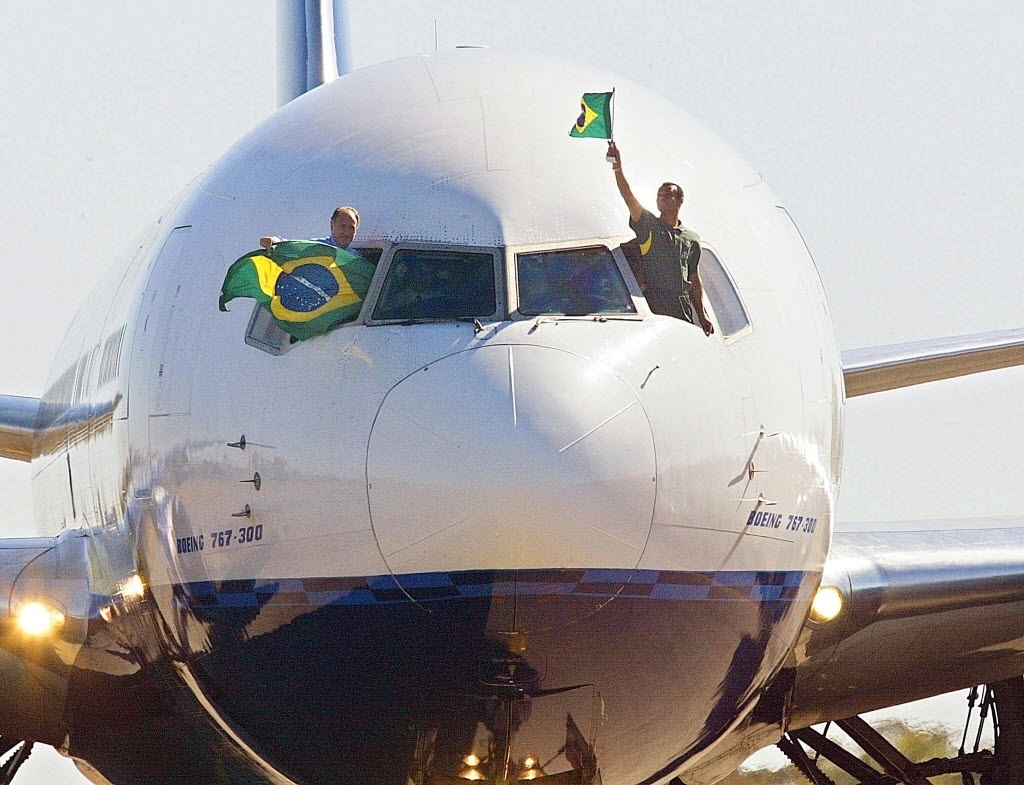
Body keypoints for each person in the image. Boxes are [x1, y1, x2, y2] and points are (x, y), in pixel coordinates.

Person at [607, 142, 714, 336]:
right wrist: (617, 168)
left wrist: (702, 314)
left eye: (668, 195)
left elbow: (693, 278)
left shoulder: (692, 239)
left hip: (681, 305)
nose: (662, 198)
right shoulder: (649, 225)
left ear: (680, 201)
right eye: (659, 195)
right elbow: (629, 197)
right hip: (655, 301)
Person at [260, 206, 362, 253]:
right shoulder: (316, 247)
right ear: (332, 225)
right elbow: (292, 246)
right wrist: (274, 241)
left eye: (351, 228)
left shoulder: (356, 259)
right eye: (343, 226)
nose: (347, 232)